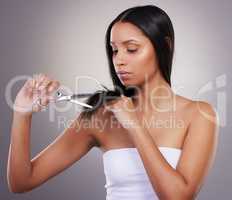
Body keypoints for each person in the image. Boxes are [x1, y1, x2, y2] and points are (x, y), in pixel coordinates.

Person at [7, 5, 218, 200]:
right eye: (114, 50)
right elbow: (22, 182)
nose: (119, 60)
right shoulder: (102, 114)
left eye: (132, 49)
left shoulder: (199, 114)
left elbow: (177, 196)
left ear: (165, 46)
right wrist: (21, 115)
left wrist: (133, 125)